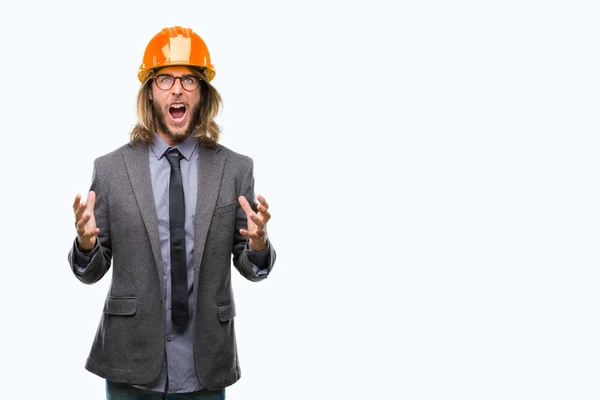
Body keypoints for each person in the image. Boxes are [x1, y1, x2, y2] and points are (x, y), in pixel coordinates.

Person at [68, 26, 276, 399]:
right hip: (129, 364)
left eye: (189, 80)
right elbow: (92, 271)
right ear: (150, 93)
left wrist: (259, 244)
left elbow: (251, 266)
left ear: (203, 94)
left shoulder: (236, 169)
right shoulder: (112, 170)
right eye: (164, 79)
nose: (177, 89)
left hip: (205, 366)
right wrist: (86, 245)